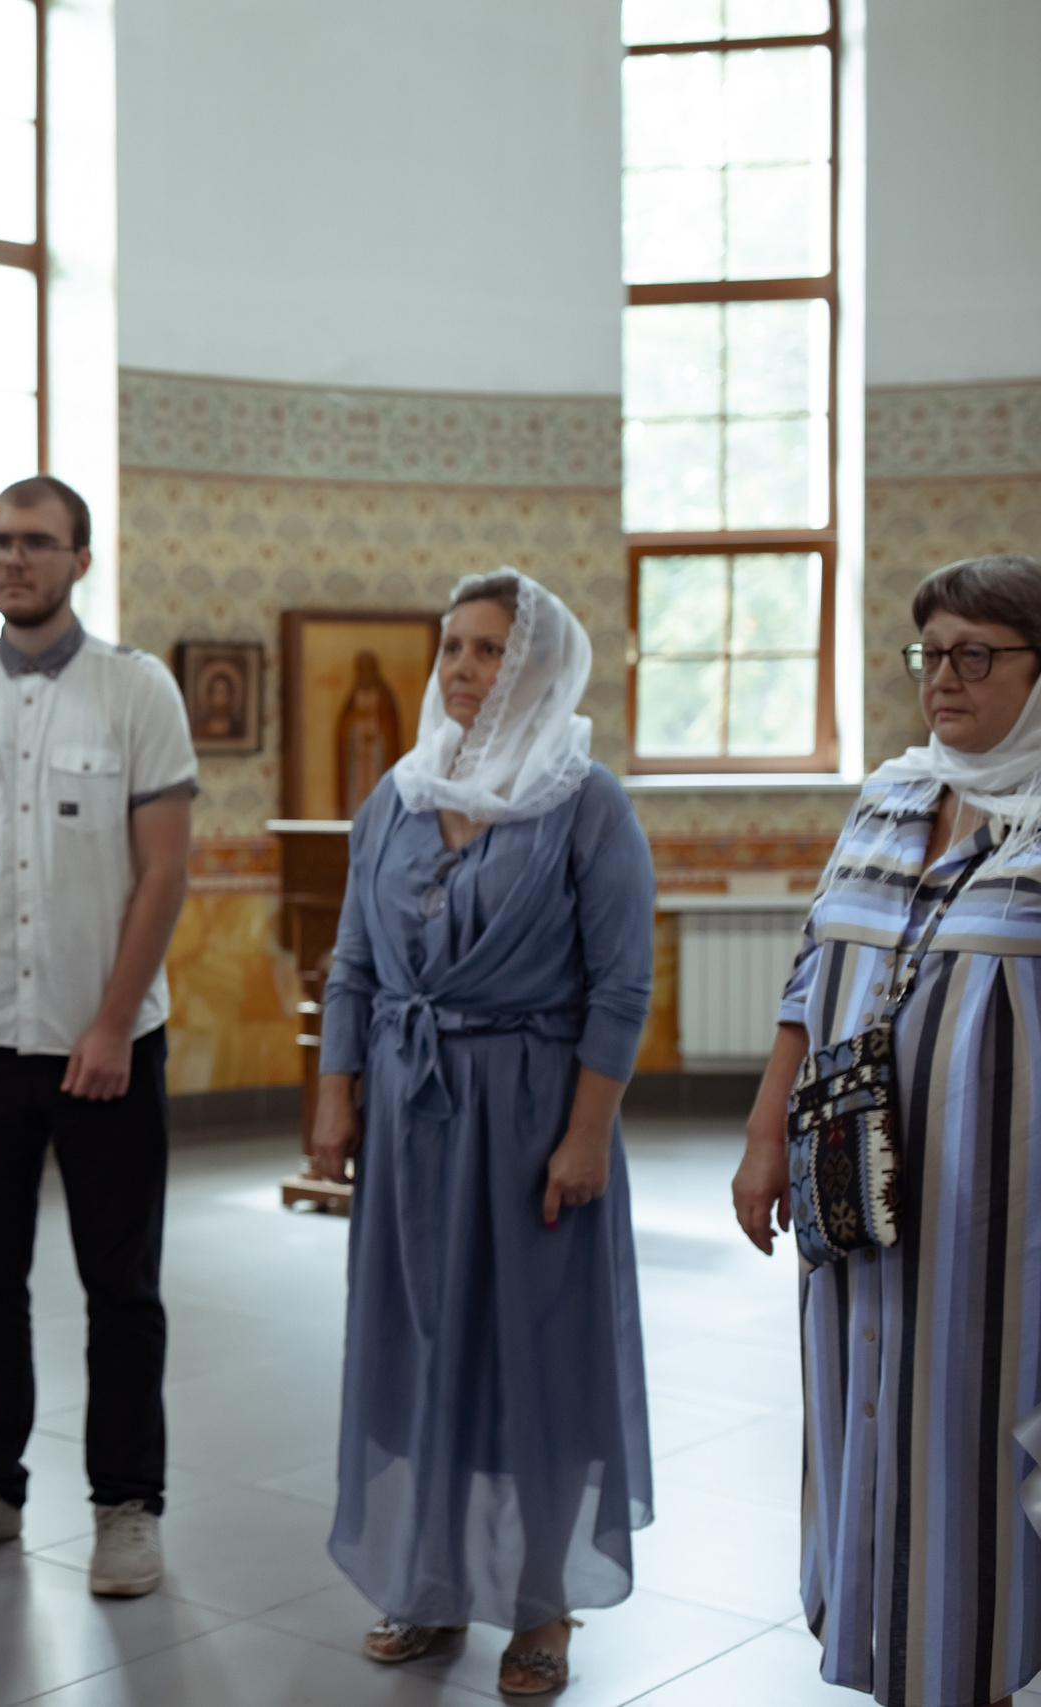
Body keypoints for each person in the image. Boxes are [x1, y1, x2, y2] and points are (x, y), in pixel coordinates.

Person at [306, 568, 654, 1697]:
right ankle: (430, 1580)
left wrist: (586, 1135)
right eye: (452, 646)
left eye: (490, 648)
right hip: (412, 1119)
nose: (462, 667)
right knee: (419, 1346)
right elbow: (354, 963)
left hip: (530, 1120)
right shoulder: (397, 796)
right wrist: (336, 1093)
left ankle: (542, 1602)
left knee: (533, 1359)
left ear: (537, 667)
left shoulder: (584, 802)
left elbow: (621, 986)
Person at [733, 554, 1041, 1707]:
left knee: (974, 1442)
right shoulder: (890, 796)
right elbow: (810, 971)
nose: (942, 679)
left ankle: (974, 1671)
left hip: (996, 1220)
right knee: (868, 1422)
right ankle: (897, 1658)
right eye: (930, 653)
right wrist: (765, 1136)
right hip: (854, 1194)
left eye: (976, 655)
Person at [0, 473, 197, 1595]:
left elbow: (164, 870)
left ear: (79, 557)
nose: (12, 558)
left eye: (35, 541)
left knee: (121, 1288)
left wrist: (113, 1023)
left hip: (105, 1045)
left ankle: (127, 1505)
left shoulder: (136, 689)